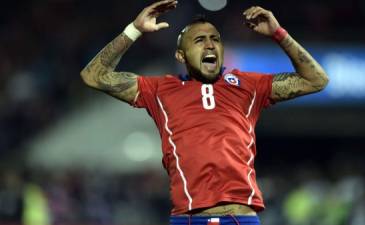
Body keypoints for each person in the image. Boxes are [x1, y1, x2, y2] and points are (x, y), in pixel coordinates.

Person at [80, 0, 329, 224]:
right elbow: (93, 76)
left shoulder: (249, 85)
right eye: (199, 40)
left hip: (240, 218)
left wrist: (278, 33)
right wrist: (134, 30)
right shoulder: (160, 90)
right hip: (188, 218)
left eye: (215, 39)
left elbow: (316, 80)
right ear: (181, 55)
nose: (210, 44)